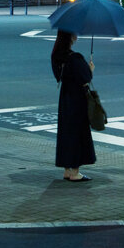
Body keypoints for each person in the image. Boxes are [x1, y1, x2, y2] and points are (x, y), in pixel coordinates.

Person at [50, 30, 96, 182]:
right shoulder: (75, 58)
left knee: (66, 132)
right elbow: (86, 78)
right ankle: (75, 172)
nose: (76, 36)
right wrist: (90, 70)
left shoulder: (56, 56)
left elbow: (60, 77)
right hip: (78, 98)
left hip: (65, 97)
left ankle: (67, 170)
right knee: (78, 132)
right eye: (74, 33)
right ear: (70, 37)